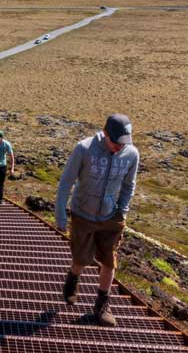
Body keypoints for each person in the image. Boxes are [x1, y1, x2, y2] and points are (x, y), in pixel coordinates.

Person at [55, 114, 139, 328]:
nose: (120, 148)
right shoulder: (84, 149)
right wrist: (60, 214)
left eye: (124, 143)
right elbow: (66, 182)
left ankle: (102, 304)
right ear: (105, 133)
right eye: (116, 142)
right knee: (81, 259)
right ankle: (73, 277)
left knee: (110, 261)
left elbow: (129, 185)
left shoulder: (131, 154)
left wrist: (123, 210)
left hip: (111, 216)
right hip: (83, 214)